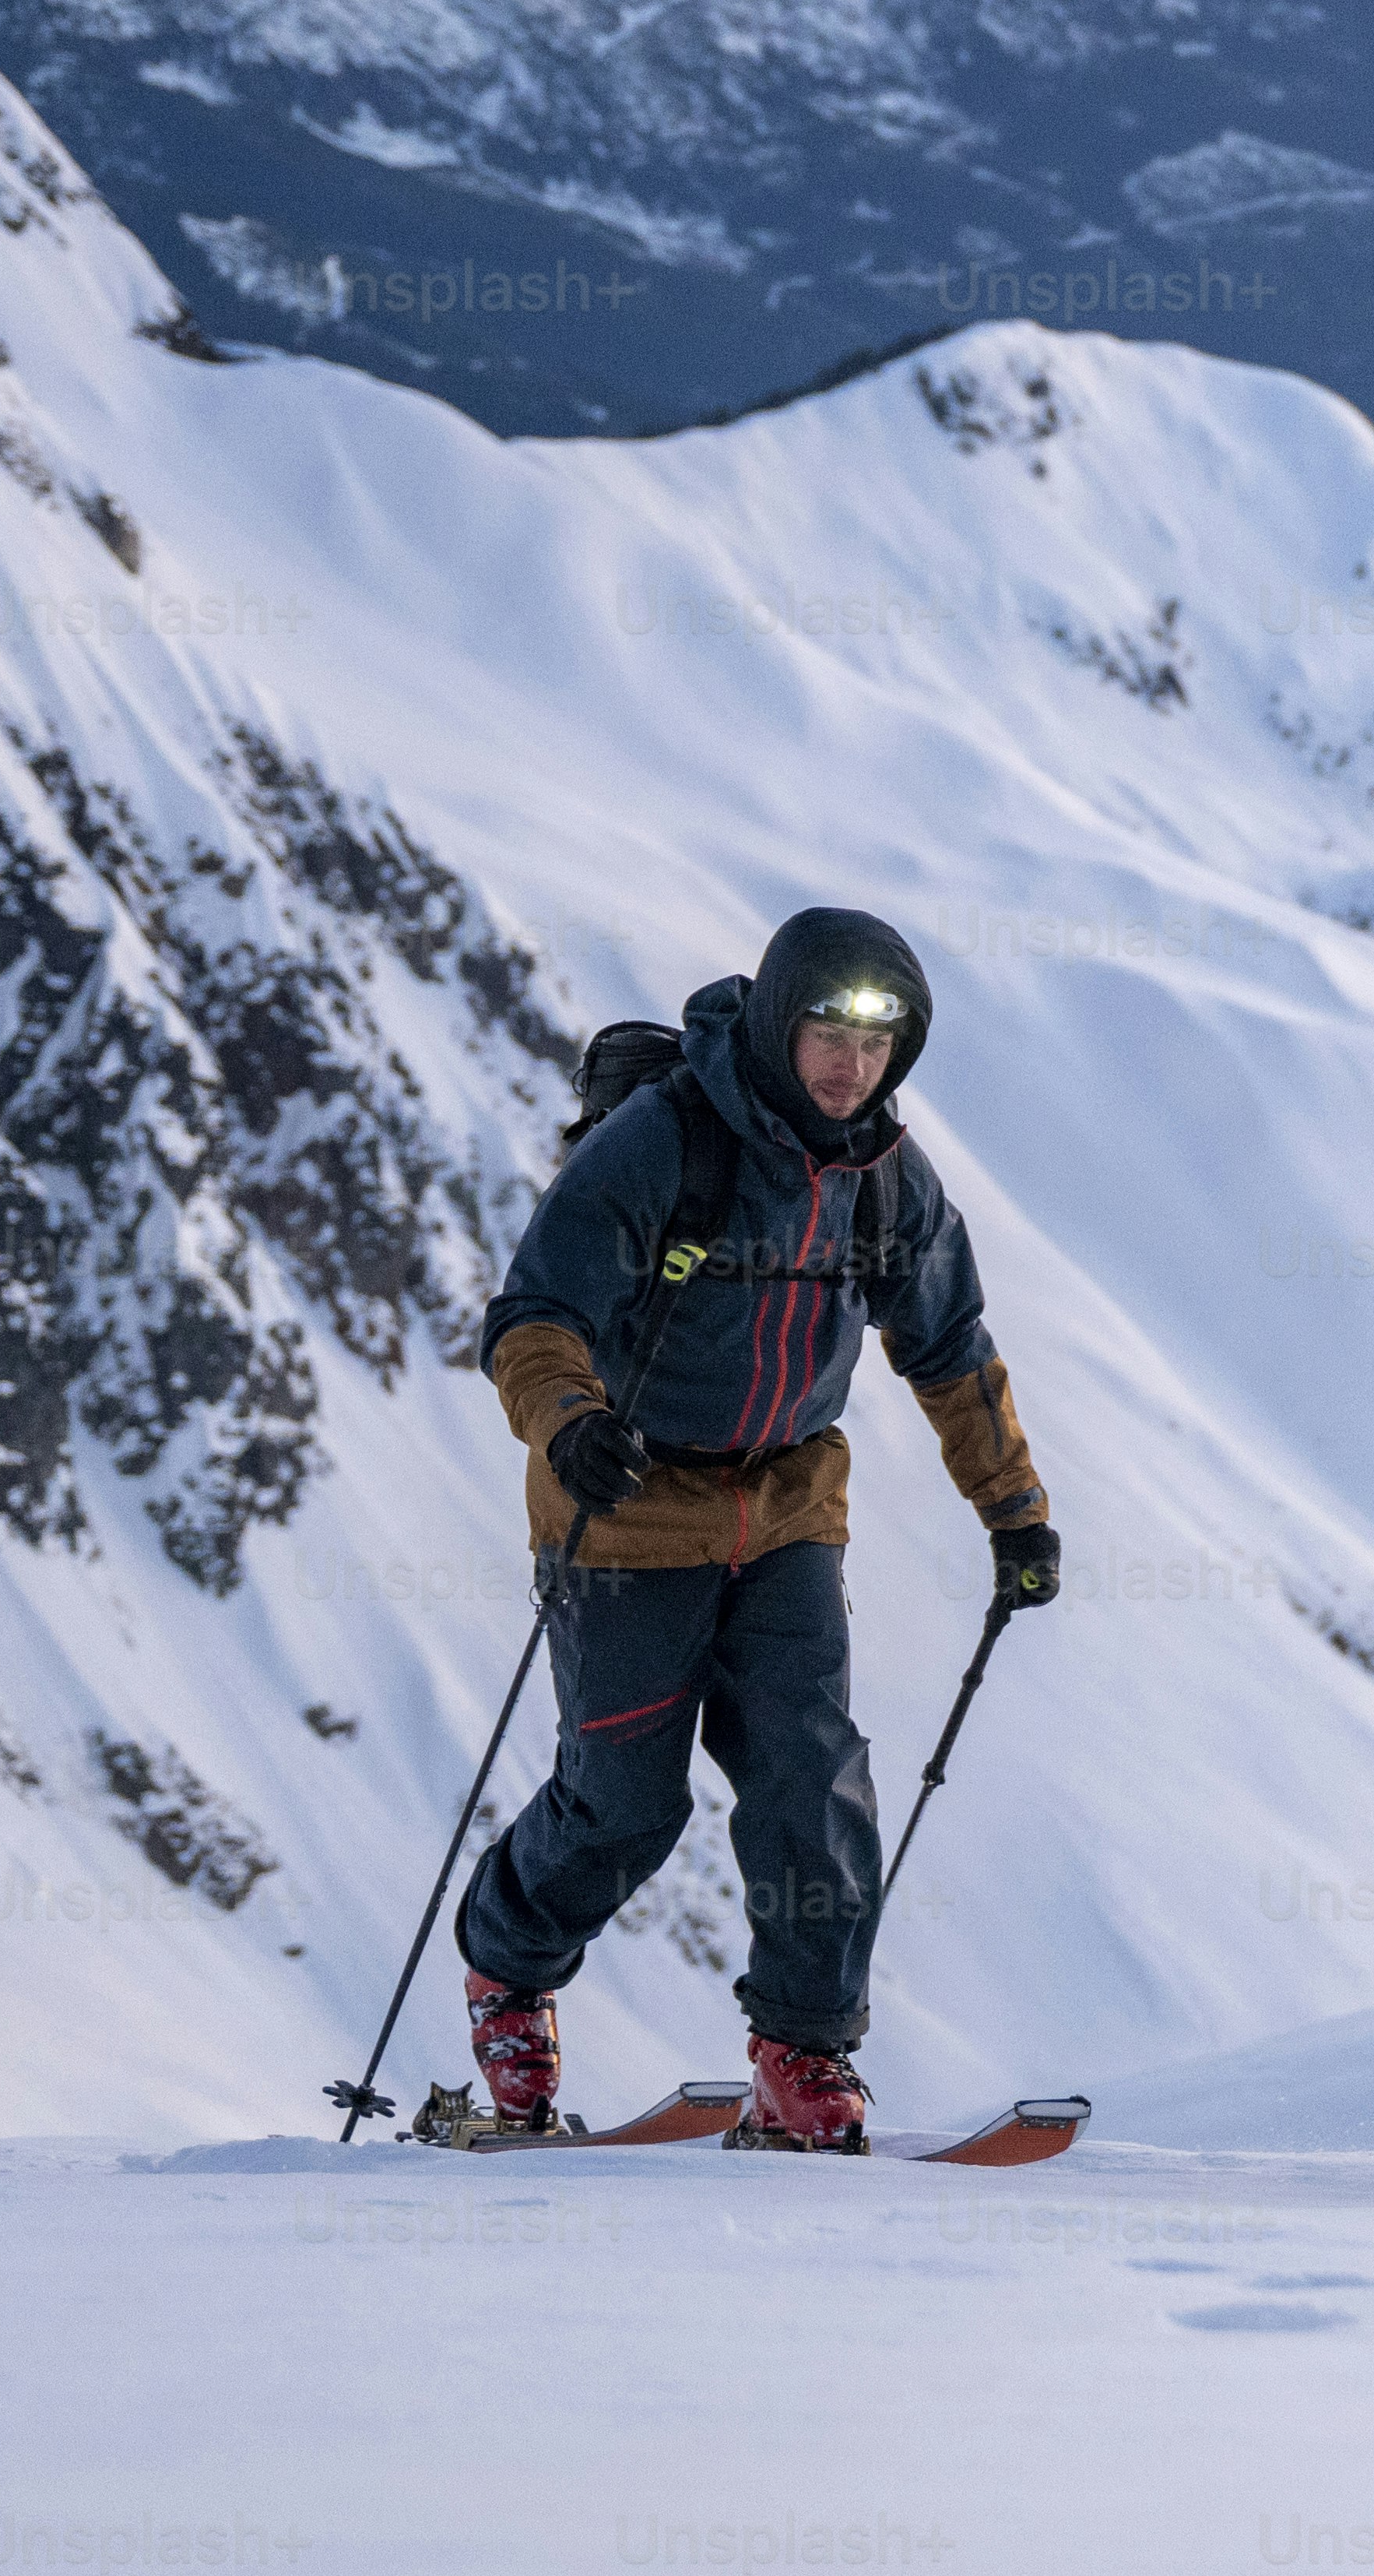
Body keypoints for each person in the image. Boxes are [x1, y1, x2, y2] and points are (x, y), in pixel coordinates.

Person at [452, 906, 1062, 2148]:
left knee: (813, 1781)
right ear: (783, 1026)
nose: (850, 1065)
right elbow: (534, 1316)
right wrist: (569, 1425)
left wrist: (1015, 1512)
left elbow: (947, 1346)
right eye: (827, 1033)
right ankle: (507, 1974)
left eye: (876, 1043)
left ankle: (803, 2058)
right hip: (627, 1514)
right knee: (625, 1804)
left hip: (788, 1510)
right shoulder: (660, 1143)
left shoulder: (885, 1174)